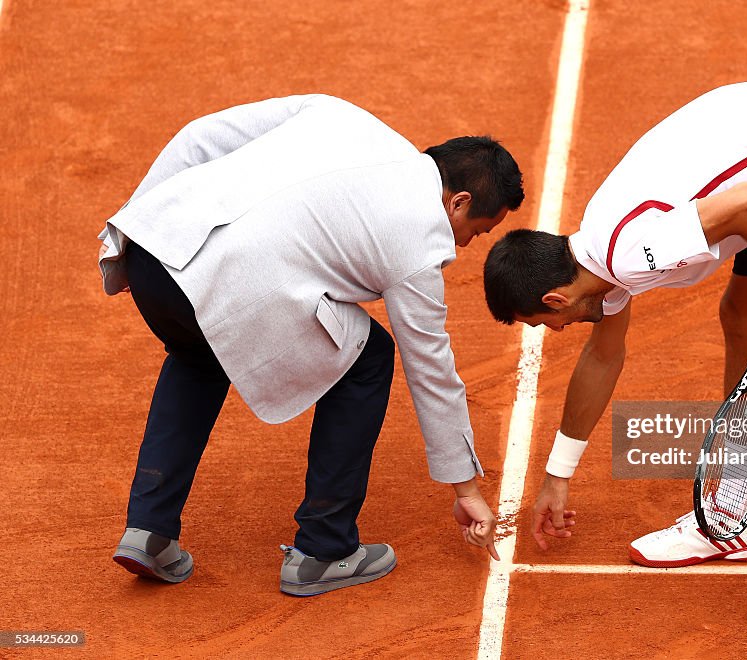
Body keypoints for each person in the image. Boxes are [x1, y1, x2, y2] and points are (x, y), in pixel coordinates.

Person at [482, 73, 747, 623]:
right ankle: (741, 517)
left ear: (556, 301)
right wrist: (558, 476)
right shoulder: (595, 259)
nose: (550, 334)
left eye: (540, 324)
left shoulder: (629, 255)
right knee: (738, 315)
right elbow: (603, 357)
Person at [97, 94, 524, 596]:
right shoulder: (422, 238)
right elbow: (430, 366)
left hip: (153, 249)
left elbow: (198, 137)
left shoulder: (339, 113)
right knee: (371, 359)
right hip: (227, 285)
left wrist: (138, 222)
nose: (464, 245)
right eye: (476, 231)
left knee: (199, 355)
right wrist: (465, 487)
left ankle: (148, 529)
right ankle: (324, 548)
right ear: (459, 202)